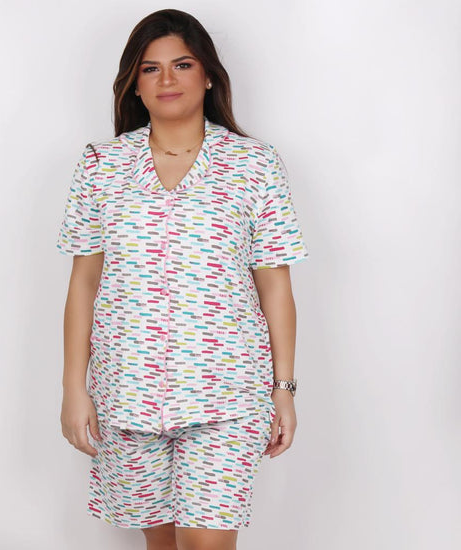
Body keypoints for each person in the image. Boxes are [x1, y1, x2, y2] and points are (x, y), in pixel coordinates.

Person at [56, 8, 309, 550]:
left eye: (183, 64)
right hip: (127, 390)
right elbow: (83, 285)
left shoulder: (255, 164)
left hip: (227, 392)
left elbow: (276, 287)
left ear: (209, 75)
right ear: (134, 84)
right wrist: (73, 389)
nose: (166, 79)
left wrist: (283, 389)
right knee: (163, 544)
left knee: (205, 543)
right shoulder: (101, 165)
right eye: (150, 69)